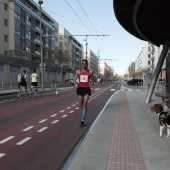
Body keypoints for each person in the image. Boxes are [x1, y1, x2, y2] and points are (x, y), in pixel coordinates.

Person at [74, 59, 94, 126]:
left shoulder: (90, 72)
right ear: (81, 64)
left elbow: (92, 79)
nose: (84, 65)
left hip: (87, 89)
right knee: (80, 106)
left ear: (87, 64)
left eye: (85, 64)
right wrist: (76, 84)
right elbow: (74, 79)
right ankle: (81, 103)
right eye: (83, 64)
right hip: (80, 88)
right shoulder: (78, 71)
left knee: (85, 102)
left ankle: (82, 120)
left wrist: (92, 83)